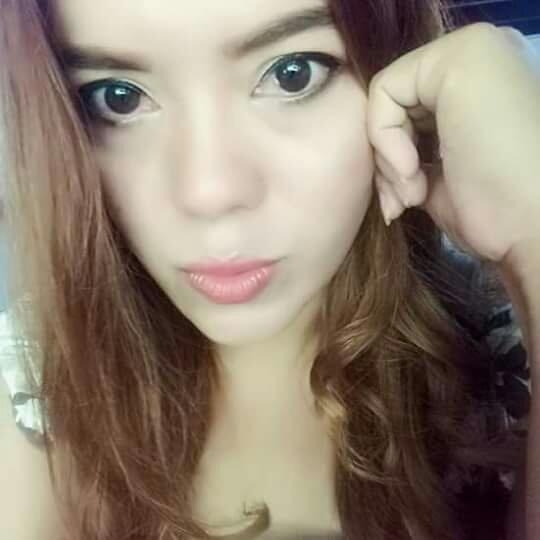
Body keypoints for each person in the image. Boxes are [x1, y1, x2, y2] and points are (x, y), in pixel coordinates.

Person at [0, 1, 536, 539]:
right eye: (118, 96)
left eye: (291, 73)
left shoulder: (508, 351)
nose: (208, 193)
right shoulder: (40, 370)